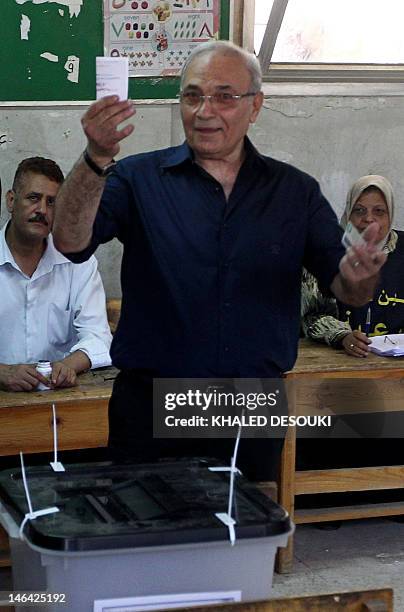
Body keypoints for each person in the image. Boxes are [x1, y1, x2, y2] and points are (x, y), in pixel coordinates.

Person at [52, 41, 386, 481]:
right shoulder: (138, 179)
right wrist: (96, 158)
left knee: (244, 538)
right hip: (156, 401)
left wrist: (361, 274)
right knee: (147, 536)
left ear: (255, 106)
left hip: (249, 403)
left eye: (224, 96)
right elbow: (69, 242)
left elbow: (348, 289)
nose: (204, 110)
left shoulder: (294, 192)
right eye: (193, 96)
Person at [0, 157, 112, 392]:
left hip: (60, 401)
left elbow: (98, 336)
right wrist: (3, 372)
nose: (42, 210)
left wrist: (67, 365)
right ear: (11, 200)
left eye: (52, 202)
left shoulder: (78, 263)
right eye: (33, 198)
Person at [302, 175, 400, 356]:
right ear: (349, 213)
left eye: (379, 211)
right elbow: (311, 316)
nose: (369, 219)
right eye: (359, 210)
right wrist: (342, 336)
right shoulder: (327, 251)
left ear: (391, 214)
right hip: (336, 364)